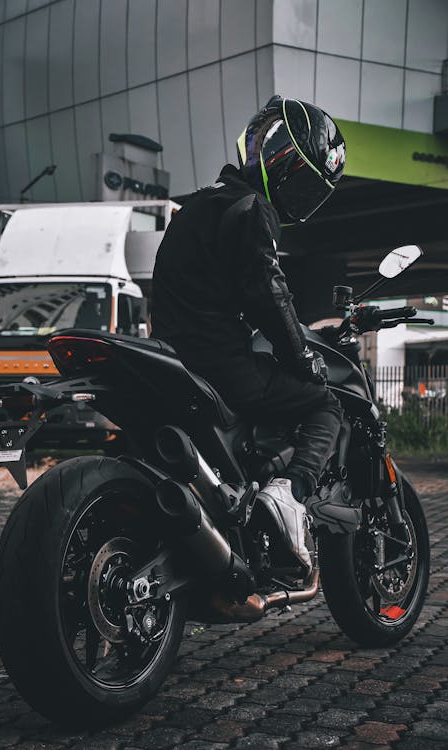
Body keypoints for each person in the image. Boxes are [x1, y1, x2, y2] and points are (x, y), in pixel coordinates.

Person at [151, 96, 346, 575]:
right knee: (326, 403)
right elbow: (268, 292)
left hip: (175, 356)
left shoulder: (198, 205)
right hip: (221, 365)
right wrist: (303, 359)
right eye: (301, 181)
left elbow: (212, 289)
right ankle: (289, 492)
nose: (300, 195)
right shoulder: (250, 208)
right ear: (279, 163)